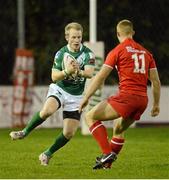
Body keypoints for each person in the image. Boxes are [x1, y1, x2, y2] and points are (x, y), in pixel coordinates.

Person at [10, 22, 95, 166]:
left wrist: (77, 71)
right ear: (67, 37)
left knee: (69, 133)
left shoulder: (88, 53)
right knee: (47, 111)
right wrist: (67, 71)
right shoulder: (61, 53)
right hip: (60, 89)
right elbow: (54, 76)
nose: (77, 40)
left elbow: (89, 73)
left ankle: (47, 154)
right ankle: (24, 132)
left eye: (79, 37)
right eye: (73, 37)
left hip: (76, 96)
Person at [79, 19, 161, 170]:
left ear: (118, 34)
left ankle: (106, 153)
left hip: (126, 97)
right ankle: (107, 165)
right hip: (142, 100)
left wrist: (86, 97)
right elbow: (156, 82)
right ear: (133, 33)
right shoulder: (146, 53)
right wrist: (156, 104)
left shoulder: (118, 50)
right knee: (118, 129)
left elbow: (100, 77)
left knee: (89, 116)